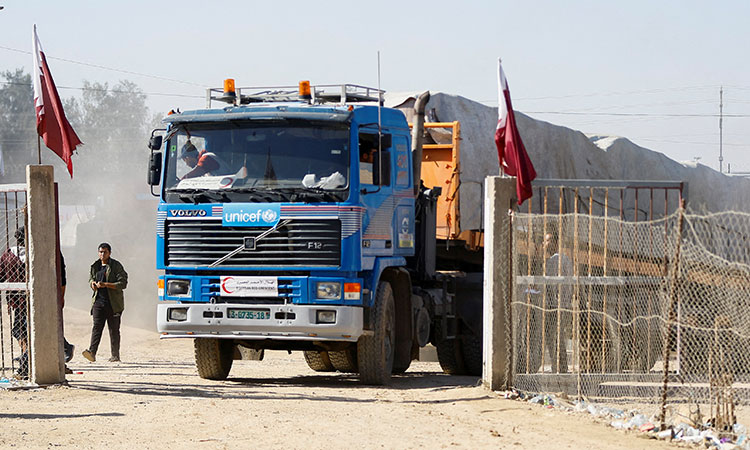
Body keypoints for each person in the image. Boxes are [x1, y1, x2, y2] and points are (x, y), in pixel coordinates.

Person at [82, 243, 128, 363]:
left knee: (113, 330)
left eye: (105, 252)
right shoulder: (95, 266)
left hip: (113, 303)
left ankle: (115, 355)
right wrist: (92, 283)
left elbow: (123, 283)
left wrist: (106, 285)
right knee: (97, 327)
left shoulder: (116, 266)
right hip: (98, 301)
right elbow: (90, 278)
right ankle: (92, 352)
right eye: (100, 252)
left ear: (109, 253)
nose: (102, 254)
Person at [542, 230, 573, 373]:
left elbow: (551, 284)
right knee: (559, 337)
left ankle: (558, 367)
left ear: (554, 243)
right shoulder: (564, 258)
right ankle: (561, 367)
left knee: (553, 337)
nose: (544, 244)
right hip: (563, 304)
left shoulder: (555, 260)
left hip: (555, 305)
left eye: (547, 241)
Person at [0, 227, 29, 378]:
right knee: (23, 330)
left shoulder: (8, 255)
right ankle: (26, 357)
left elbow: (1, 276)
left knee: (19, 330)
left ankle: (26, 359)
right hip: (30, 300)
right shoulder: (33, 256)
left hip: (16, 300)